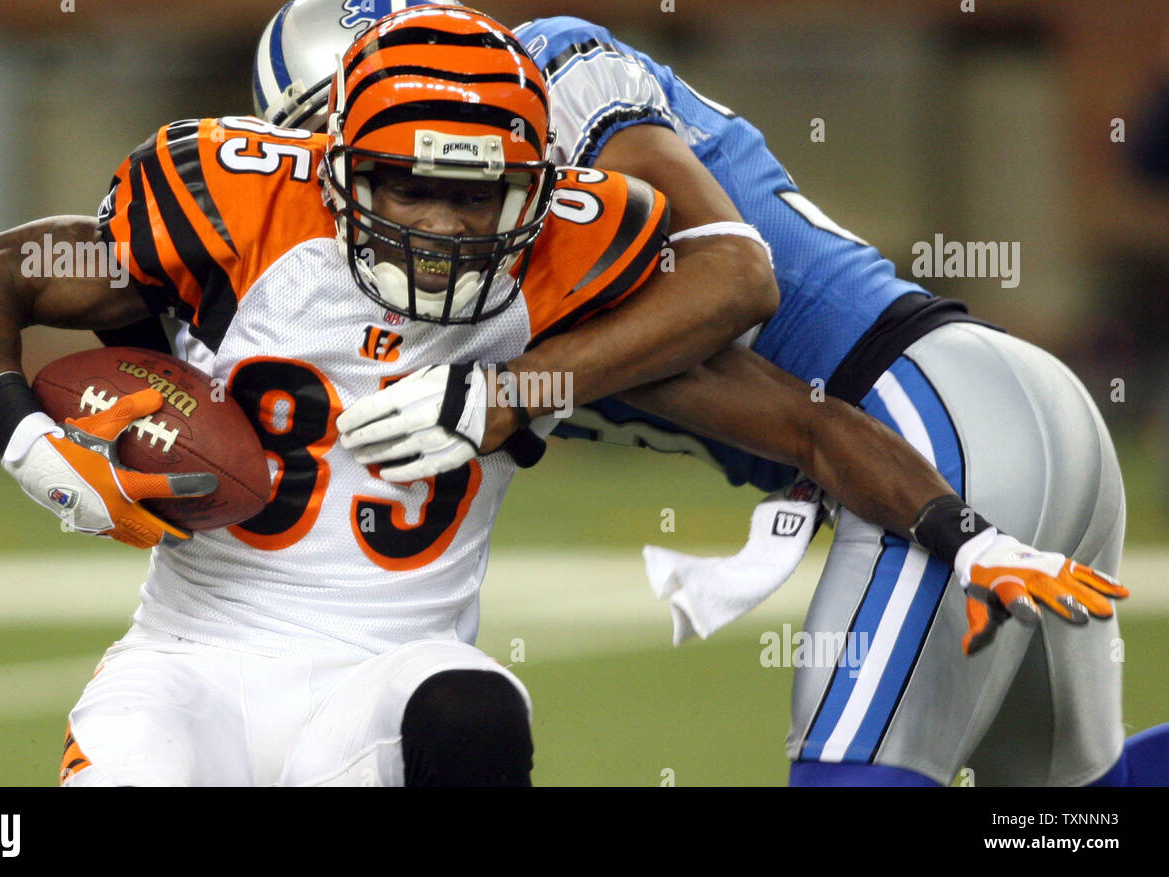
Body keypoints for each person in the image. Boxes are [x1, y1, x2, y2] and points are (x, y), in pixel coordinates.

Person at [0, 3, 1126, 787]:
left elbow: (751, 314)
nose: (438, 221)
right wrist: (35, 436)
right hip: (198, 657)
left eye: (475, 184)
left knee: (475, 719)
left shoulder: (565, 268)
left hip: (928, 412)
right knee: (1069, 803)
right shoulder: (225, 229)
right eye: (394, 171)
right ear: (312, 148)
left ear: (535, 169)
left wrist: (505, 387)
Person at [304, 7, 1158, 786]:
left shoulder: (559, 81)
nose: (422, 214)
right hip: (963, 422)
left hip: (928, 416)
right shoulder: (510, 295)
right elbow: (796, 422)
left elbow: (736, 278)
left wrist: (508, 391)